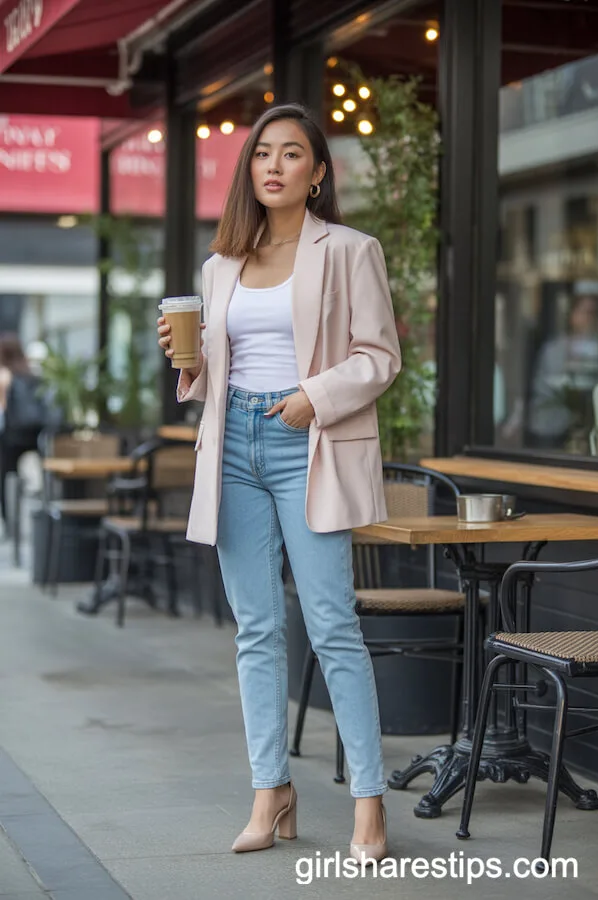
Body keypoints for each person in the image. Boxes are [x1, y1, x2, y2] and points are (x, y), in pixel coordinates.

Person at [157, 103, 401, 860]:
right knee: (256, 630)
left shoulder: (351, 250)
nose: (273, 165)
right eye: (263, 153)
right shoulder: (220, 262)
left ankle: (369, 805)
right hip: (232, 446)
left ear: (317, 172)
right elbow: (213, 371)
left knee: (332, 626)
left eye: (292, 154)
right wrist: (189, 364)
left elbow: (378, 356)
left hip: (310, 443)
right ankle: (272, 794)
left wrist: (314, 396)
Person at [528, 284, 598, 449]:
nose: (590, 319)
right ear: (573, 315)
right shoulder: (554, 349)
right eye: (586, 312)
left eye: (594, 314)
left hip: (586, 428)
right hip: (550, 427)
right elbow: (546, 388)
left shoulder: (596, 347)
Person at [0, 334, 46, 528]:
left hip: (11, 437)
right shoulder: (31, 373)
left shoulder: (4, 375)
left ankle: (8, 522)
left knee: (3, 477)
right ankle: (40, 508)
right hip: (34, 434)